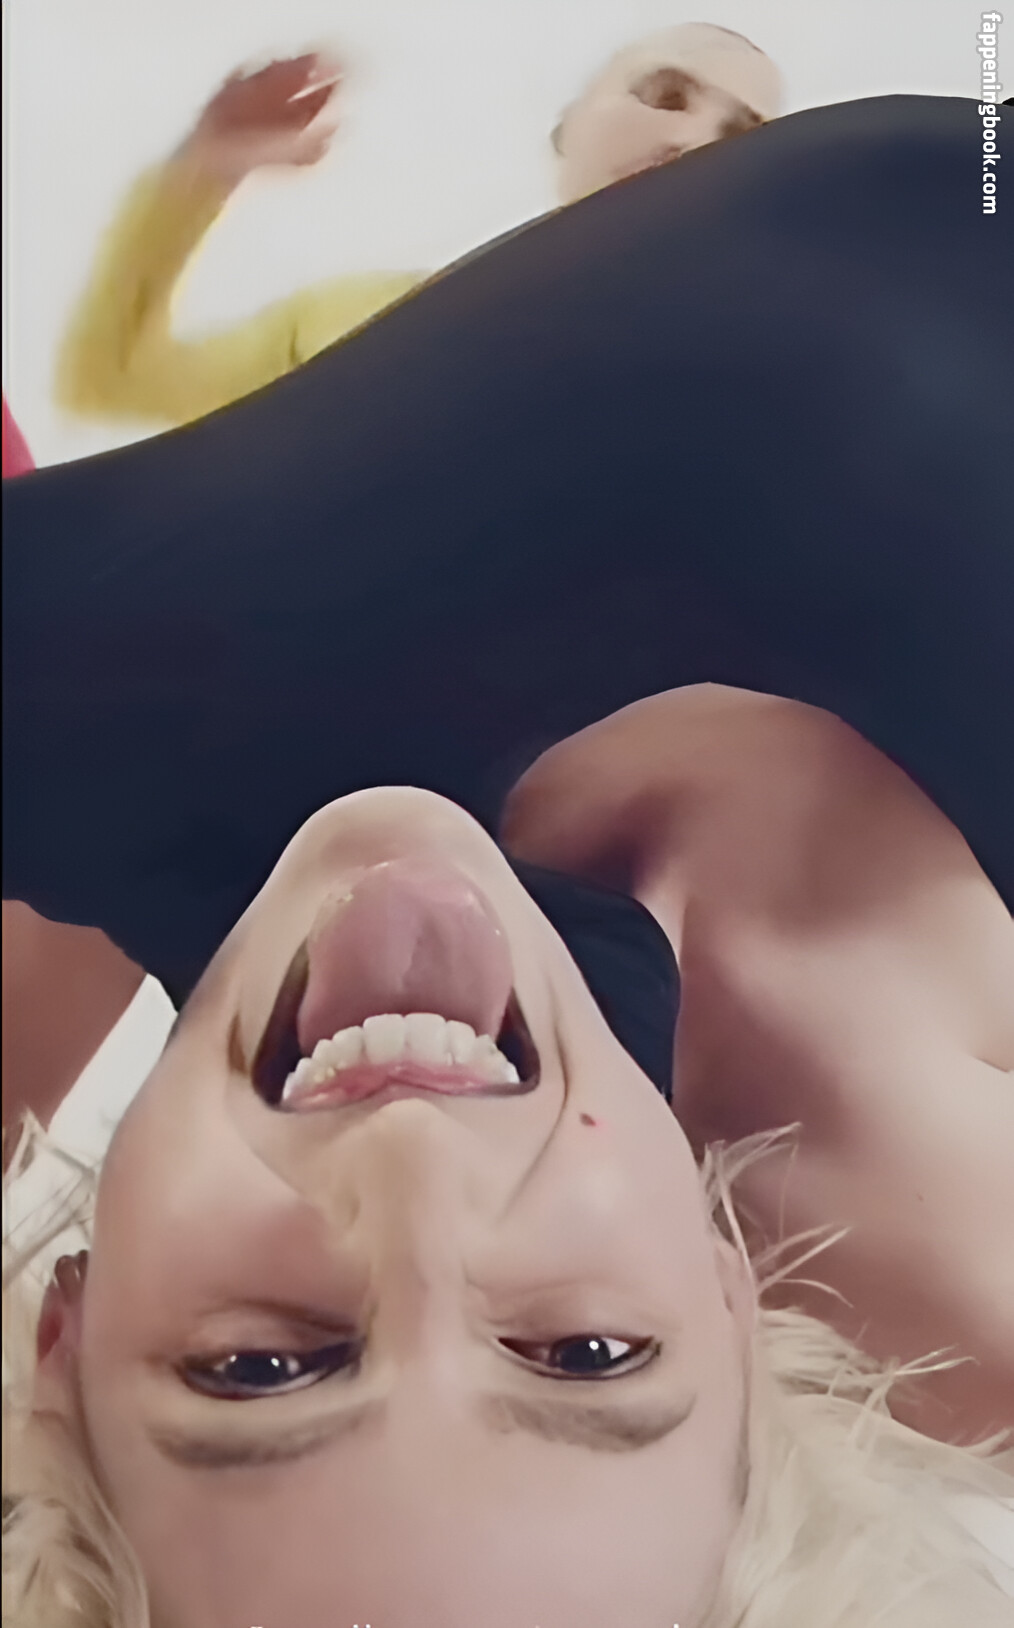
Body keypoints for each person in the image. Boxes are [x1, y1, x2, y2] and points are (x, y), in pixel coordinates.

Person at [4, 93, 1014, 1626]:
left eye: (257, 1367)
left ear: (61, 1344)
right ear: (737, 1327)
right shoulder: (946, 1247)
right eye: (583, 1356)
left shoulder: (82, 726)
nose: (412, 1168)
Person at [54, 24, 782, 428]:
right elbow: (111, 379)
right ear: (569, 125)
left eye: (739, 137)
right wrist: (200, 172)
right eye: (665, 95)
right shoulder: (353, 319)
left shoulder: (746, 391)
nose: (692, 141)